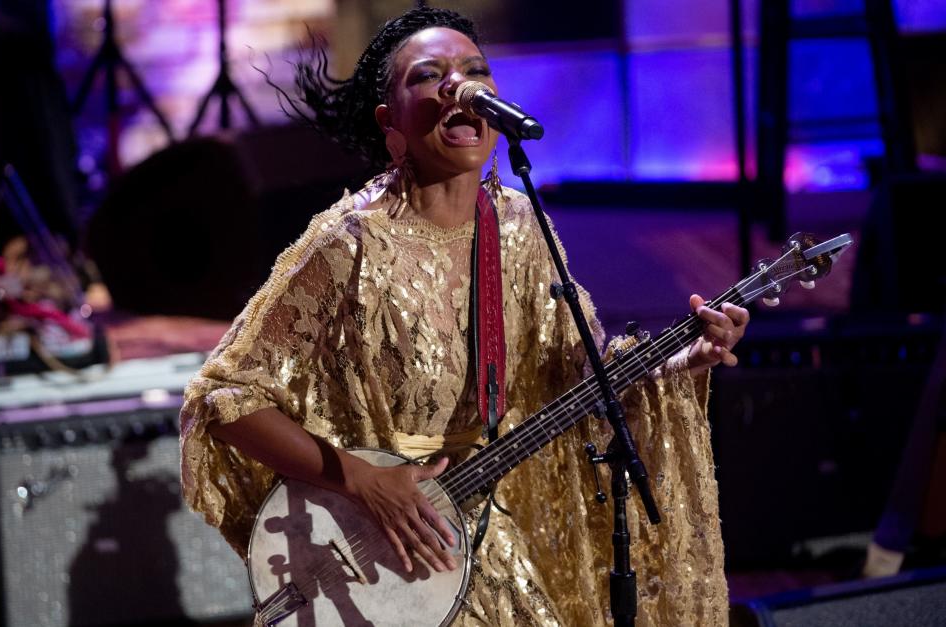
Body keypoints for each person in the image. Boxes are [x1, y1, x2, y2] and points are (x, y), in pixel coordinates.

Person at [179, 6, 749, 625]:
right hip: (383, 542)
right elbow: (223, 396)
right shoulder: (348, 243)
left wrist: (681, 360)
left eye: (474, 70)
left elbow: (576, 374)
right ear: (389, 122)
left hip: (485, 529)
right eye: (429, 76)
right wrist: (363, 479)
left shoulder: (518, 227)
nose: (459, 86)